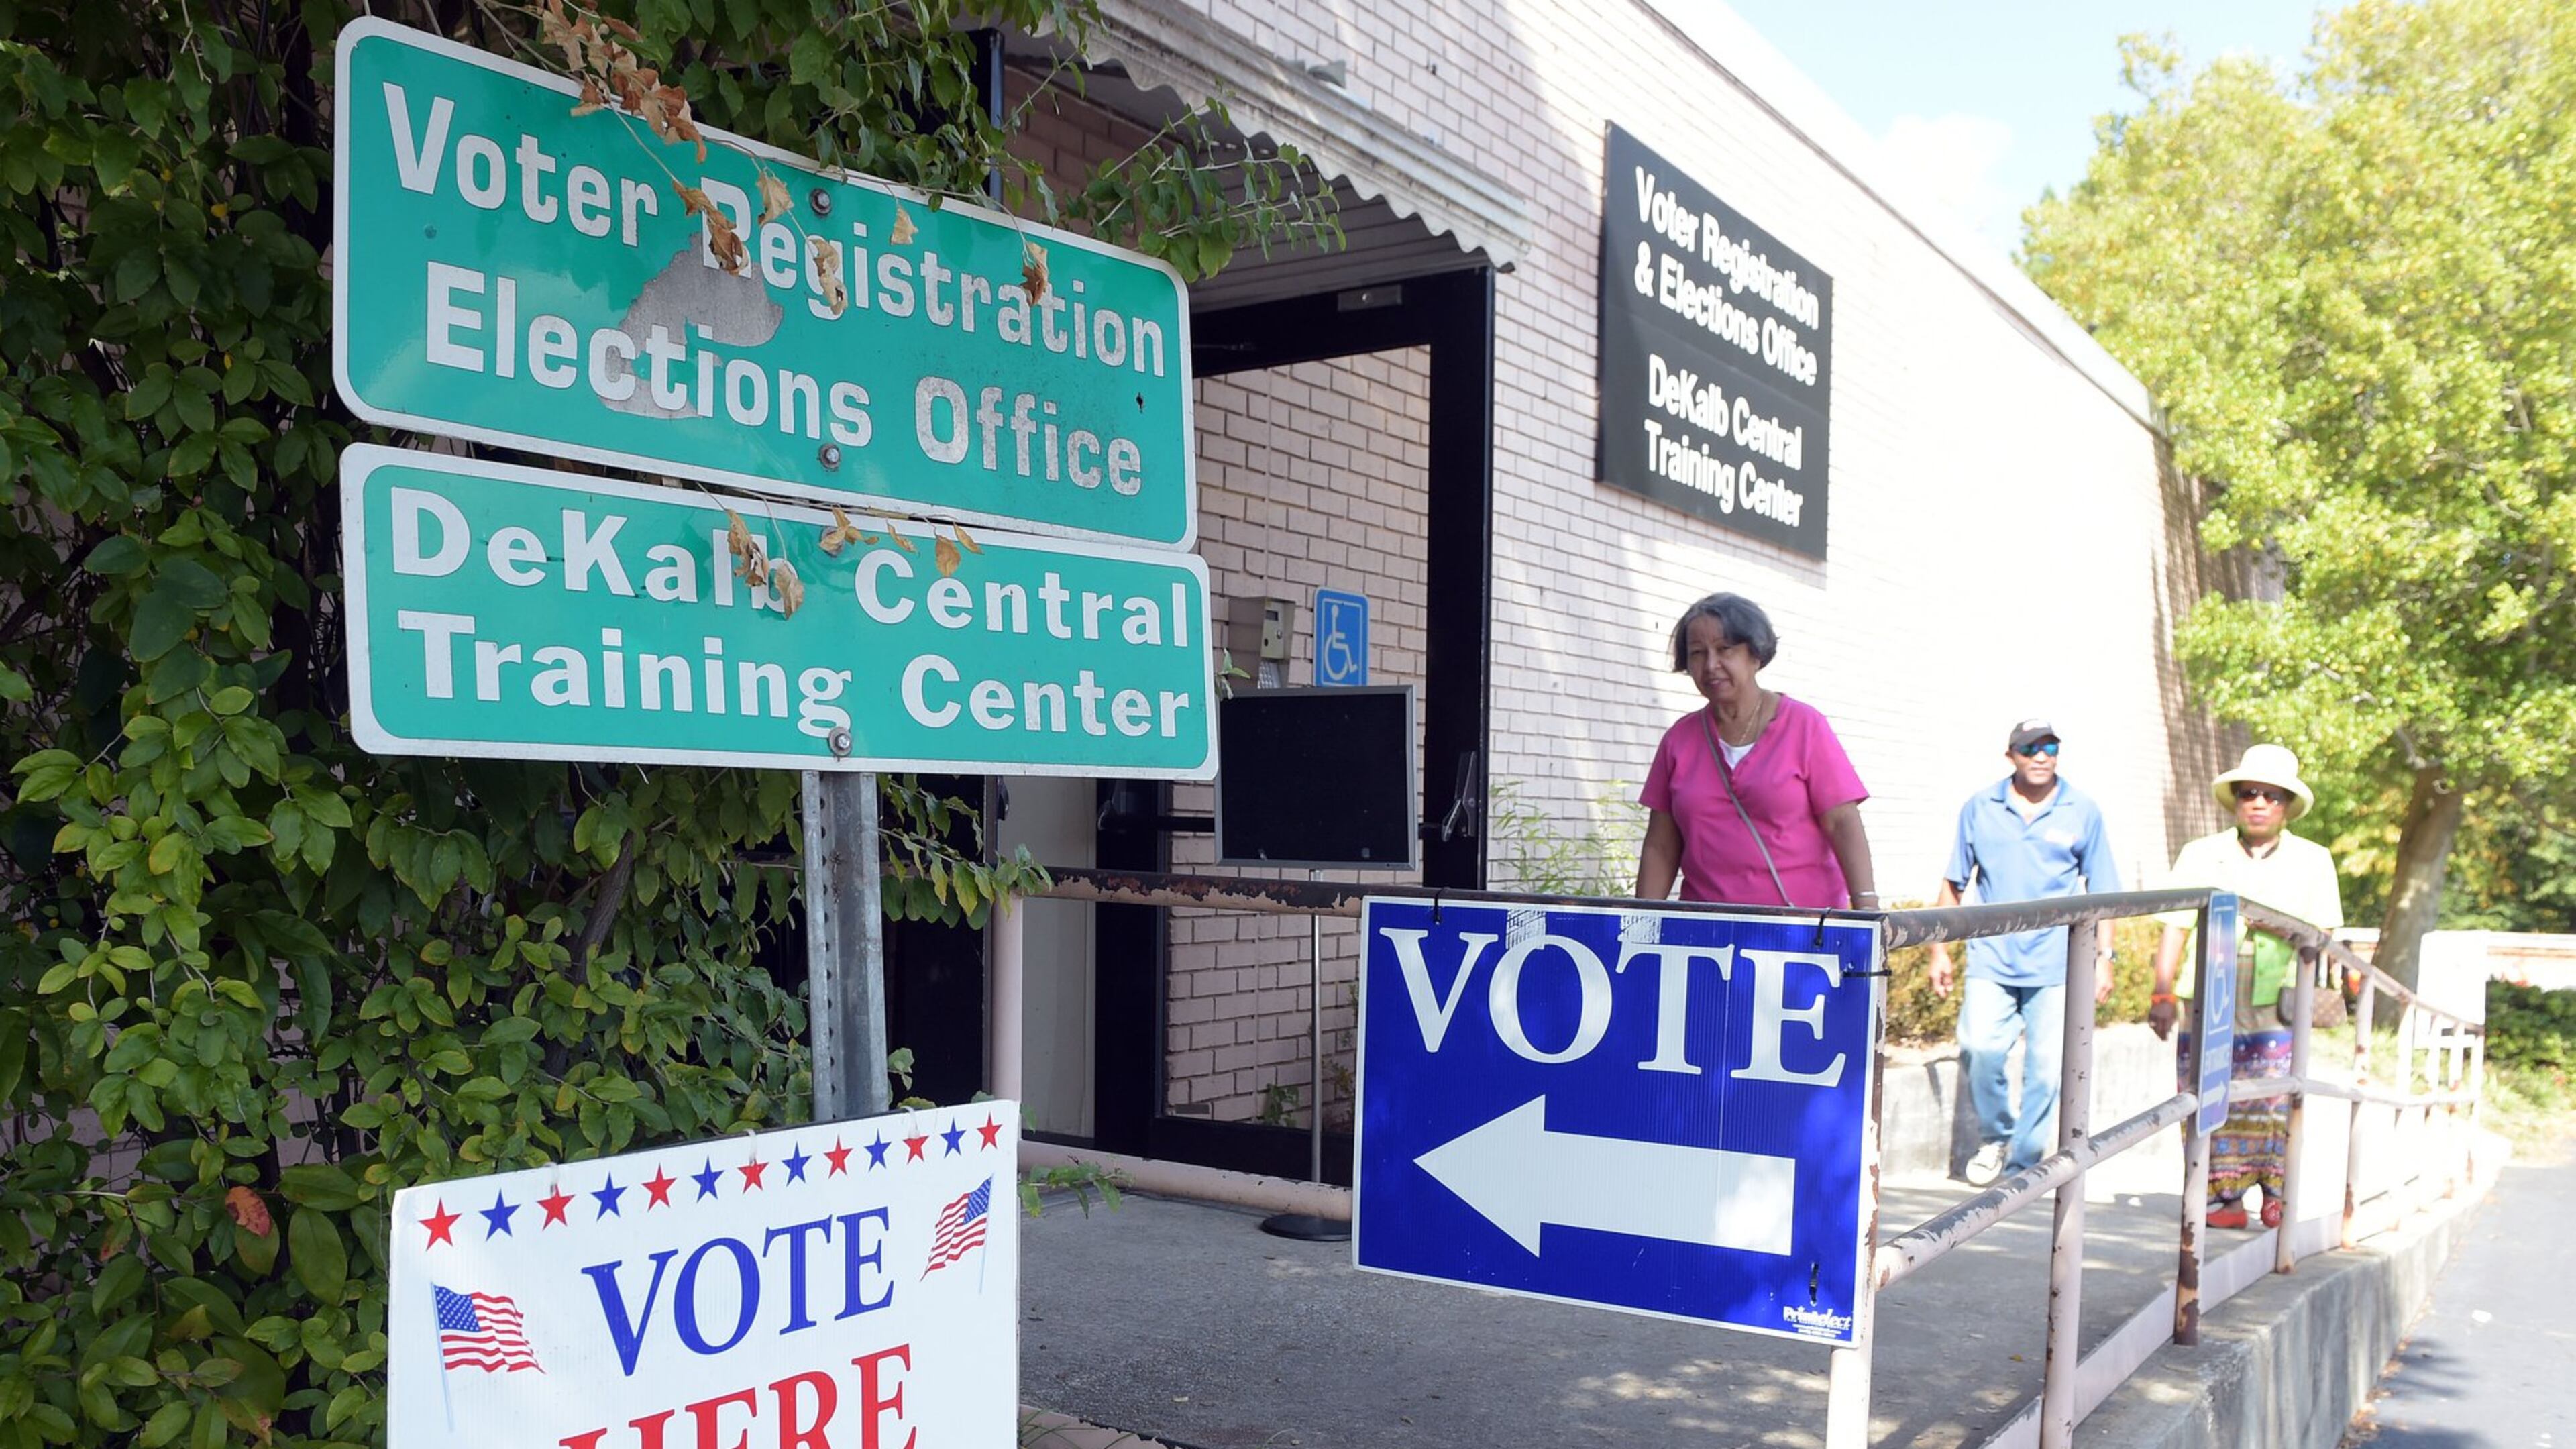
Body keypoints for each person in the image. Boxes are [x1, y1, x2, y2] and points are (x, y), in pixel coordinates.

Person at [2148, 743, 2344, 1230]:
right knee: (2206, 1088)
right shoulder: (2202, 853)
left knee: (2272, 1093)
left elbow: (2323, 934)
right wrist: (2162, 990)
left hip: (2274, 994)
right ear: (2236, 800)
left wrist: (2274, 924)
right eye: (2249, 793)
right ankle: (2218, 1198)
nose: (2259, 803)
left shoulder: (2313, 859)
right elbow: (2174, 924)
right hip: (2208, 988)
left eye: (2271, 796)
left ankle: (2274, 1191)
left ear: (2286, 806)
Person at [1928, 720, 2123, 1186]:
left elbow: (2105, 891)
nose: (2041, 756)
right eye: (2030, 748)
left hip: (2058, 964)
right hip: (1991, 958)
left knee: (2048, 1069)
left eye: (2050, 746)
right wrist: (1939, 951)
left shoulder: (2083, 810)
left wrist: (2105, 958)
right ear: (2011, 755)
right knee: (1979, 1049)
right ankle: (1997, 1138)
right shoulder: (1980, 807)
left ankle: (2025, 1166)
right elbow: (1953, 883)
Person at [1634, 592, 1878, 910]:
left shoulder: (1804, 726)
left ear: (1755, 654)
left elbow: (1842, 822)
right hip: (1707, 934)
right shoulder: (1679, 741)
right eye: (1697, 653)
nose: (1711, 665)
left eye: (1725, 650)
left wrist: (1866, 907)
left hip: (1802, 931)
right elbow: (1661, 846)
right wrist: (1642, 921)